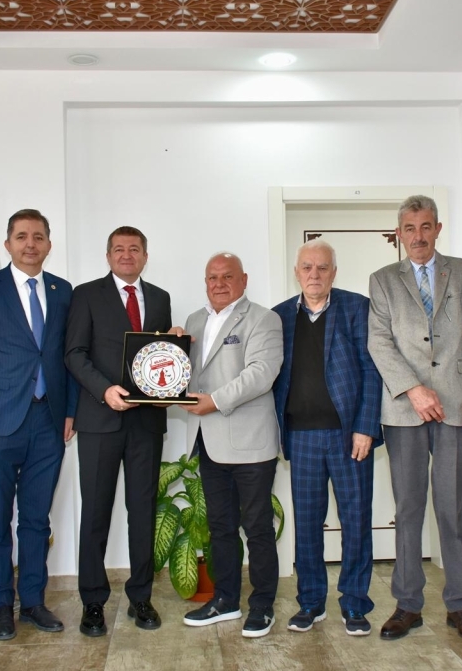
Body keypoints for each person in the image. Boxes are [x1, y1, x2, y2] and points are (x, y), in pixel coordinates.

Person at [367, 194, 462, 643]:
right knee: (408, 509)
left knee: (449, 508)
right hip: (404, 410)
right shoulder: (383, 280)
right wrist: (413, 389)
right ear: (399, 234)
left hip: (459, 407)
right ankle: (408, 605)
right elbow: (379, 342)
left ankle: (460, 605)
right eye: (409, 228)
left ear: (438, 229)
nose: (418, 236)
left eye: (425, 227)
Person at [0, 209, 79, 641]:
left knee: (36, 519)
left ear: (49, 244)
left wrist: (70, 411)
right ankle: (0, 606)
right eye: (22, 236)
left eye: (39, 237)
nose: (31, 244)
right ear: (8, 243)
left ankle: (32, 601)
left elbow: (69, 355)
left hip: (48, 422)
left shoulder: (62, 291)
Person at [271, 239, 382, 636]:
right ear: (296, 272)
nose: (314, 274)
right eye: (307, 267)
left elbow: (372, 370)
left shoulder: (357, 308)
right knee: (306, 525)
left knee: (356, 521)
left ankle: (355, 604)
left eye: (322, 267)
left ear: (334, 272)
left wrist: (366, 426)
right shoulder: (280, 316)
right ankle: (311, 602)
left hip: (349, 436)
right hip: (300, 437)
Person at [64, 226, 171, 636]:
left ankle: (141, 596)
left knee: (143, 512)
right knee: (95, 513)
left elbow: (159, 355)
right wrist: (104, 390)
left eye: (134, 249)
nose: (127, 255)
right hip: (99, 421)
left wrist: (175, 346)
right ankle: (93, 602)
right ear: (108, 256)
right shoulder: (86, 294)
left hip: (146, 424)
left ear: (145, 255)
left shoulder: (160, 298)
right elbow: (74, 353)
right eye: (119, 249)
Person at [180, 253, 284, 638]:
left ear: (244, 279)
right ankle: (225, 600)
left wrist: (215, 401)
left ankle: (262, 605)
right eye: (212, 277)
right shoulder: (194, 320)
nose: (219, 284)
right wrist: (170, 346)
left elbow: (261, 373)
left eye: (227, 276)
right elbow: (186, 372)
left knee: (256, 527)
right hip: (209, 442)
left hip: (250, 443)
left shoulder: (263, 319)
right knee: (219, 526)